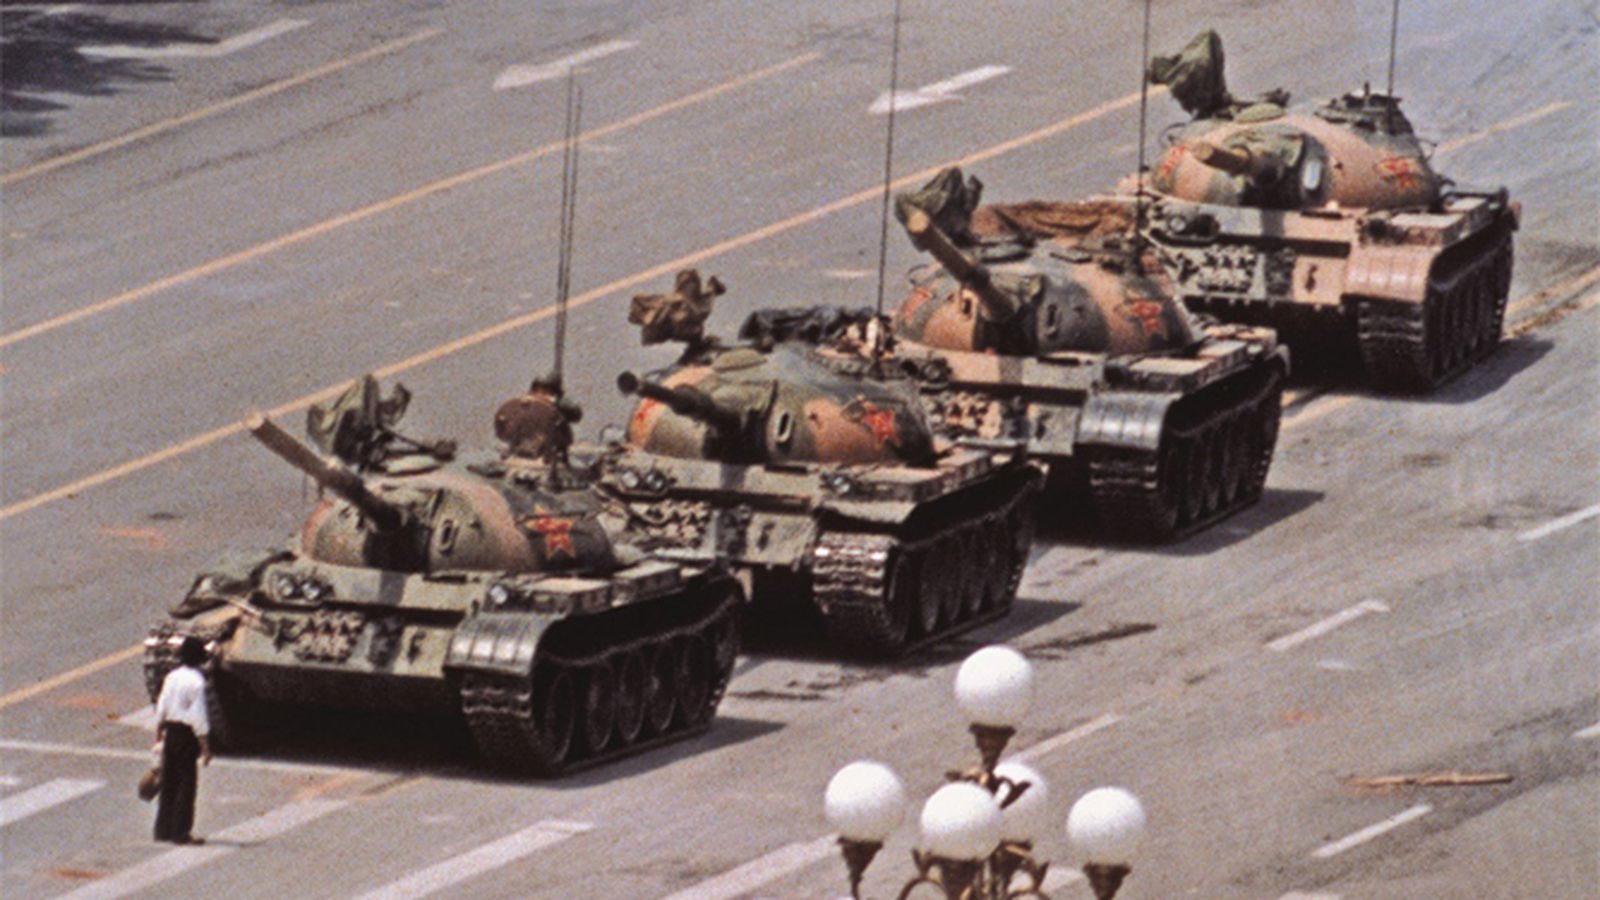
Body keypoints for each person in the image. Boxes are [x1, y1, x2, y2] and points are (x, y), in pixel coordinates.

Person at [153, 636, 212, 844]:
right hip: (187, 735)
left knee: (169, 781)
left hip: (171, 731)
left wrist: (159, 734)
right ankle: (181, 833)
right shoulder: (197, 681)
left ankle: (163, 829)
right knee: (186, 785)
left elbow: (162, 706)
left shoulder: (172, 676)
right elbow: (199, 717)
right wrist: (205, 747)